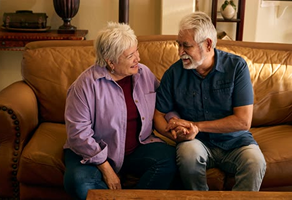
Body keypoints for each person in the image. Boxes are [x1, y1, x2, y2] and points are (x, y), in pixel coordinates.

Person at [63, 22, 177, 199]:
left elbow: (164, 106)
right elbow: (78, 134)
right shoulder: (85, 85)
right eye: (130, 55)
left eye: (136, 51)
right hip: (93, 152)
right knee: (78, 181)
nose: (137, 58)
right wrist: (105, 167)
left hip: (136, 148)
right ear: (111, 62)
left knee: (168, 160)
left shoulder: (144, 73)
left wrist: (175, 122)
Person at [154, 12, 266, 191]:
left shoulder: (237, 67)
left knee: (255, 162)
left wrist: (196, 126)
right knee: (187, 154)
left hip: (235, 141)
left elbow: (243, 121)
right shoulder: (174, 74)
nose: (180, 52)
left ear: (207, 44)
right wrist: (177, 136)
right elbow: (158, 115)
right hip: (196, 142)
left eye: (186, 46)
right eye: (179, 45)